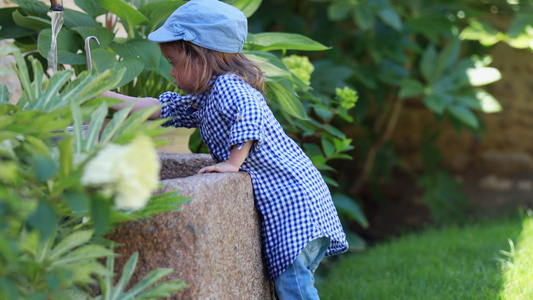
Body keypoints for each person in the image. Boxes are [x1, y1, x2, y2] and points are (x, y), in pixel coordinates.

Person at [101, 0, 349, 298]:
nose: (171, 74)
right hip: (295, 202)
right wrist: (106, 96)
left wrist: (233, 163)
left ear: (201, 59)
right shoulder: (206, 98)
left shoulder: (228, 87)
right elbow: (160, 108)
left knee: (293, 283)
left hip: (294, 204)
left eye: (174, 64)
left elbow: (251, 116)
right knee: (291, 281)